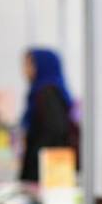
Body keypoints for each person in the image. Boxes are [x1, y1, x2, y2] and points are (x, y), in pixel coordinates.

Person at [19, 48, 79, 183]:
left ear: (42, 66)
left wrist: (36, 157)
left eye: (29, 65)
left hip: (46, 171)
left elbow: (55, 130)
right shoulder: (44, 92)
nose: (24, 70)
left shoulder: (47, 93)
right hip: (46, 168)